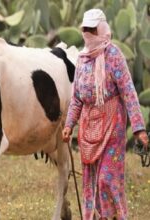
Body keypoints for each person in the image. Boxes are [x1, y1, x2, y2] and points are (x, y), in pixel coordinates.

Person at [62, 9, 149, 220]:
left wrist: (139, 129)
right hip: (88, 129)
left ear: (102, 29)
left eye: (93, 29)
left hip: (113, 126)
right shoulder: (82, 60)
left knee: (106, 179)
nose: (89, 33)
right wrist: (68, 125)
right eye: (86, 29)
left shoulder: (114, 55)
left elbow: (128, 92)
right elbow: (77, 99)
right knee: (91, 181)